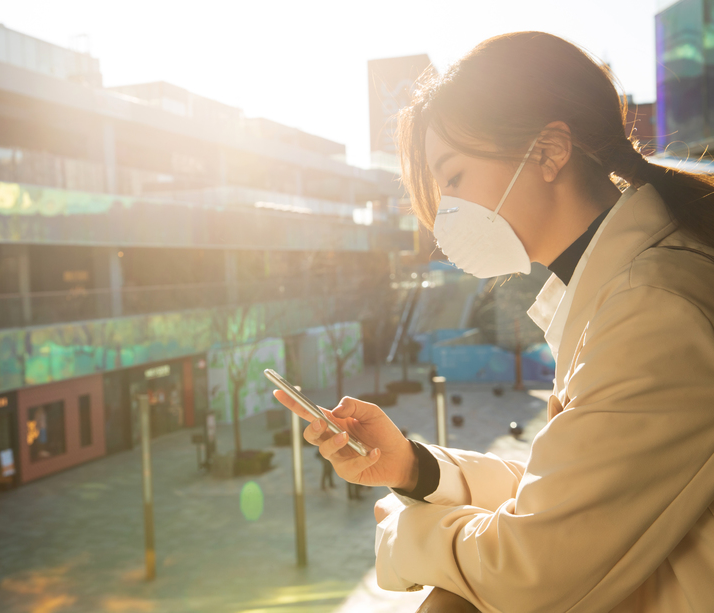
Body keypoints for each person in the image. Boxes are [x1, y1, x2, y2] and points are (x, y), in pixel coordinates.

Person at [274, 31, 714, 612]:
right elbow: (577, 489)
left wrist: (405, 537)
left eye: (452, 178)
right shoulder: (625, 287)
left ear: (549, 151)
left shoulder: (650, 310)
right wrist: (413, 466)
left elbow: (533, 571)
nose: (444, 215)